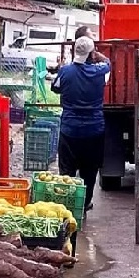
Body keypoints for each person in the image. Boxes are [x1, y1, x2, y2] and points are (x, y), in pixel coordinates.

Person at [51, 36, 111, 211]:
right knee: (90, 170)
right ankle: (85, 203)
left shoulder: (65, 71)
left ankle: (67, 204)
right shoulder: (99, 72)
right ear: (92, 53)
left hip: (69, 129)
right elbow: (108, 65)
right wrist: (102, 57)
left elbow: (55, 87)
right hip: (94, 129)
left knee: (67, 169)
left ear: (73, 51)